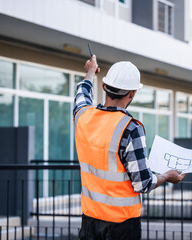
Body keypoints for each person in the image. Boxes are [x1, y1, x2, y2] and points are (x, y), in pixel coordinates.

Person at [74, 55, 186, 240]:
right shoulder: (130, 128)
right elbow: (143, 183)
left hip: (89, 221)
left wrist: (90, 72)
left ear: (104, 87)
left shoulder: (83, 117)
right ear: (132, 94)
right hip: (122, 226)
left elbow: (82, 96)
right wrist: (167, 175)